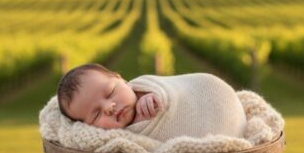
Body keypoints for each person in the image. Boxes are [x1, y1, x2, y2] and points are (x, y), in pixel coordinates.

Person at [56, 63, 247, 141]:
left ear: (121, 79)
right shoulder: (116, 140)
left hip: (214, 102)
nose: (109, 107)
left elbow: (177, 91)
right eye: (96, 114)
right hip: (206, 142)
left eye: (110, 92)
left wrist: (152, 96)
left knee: (212, 89)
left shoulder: (146, 90)